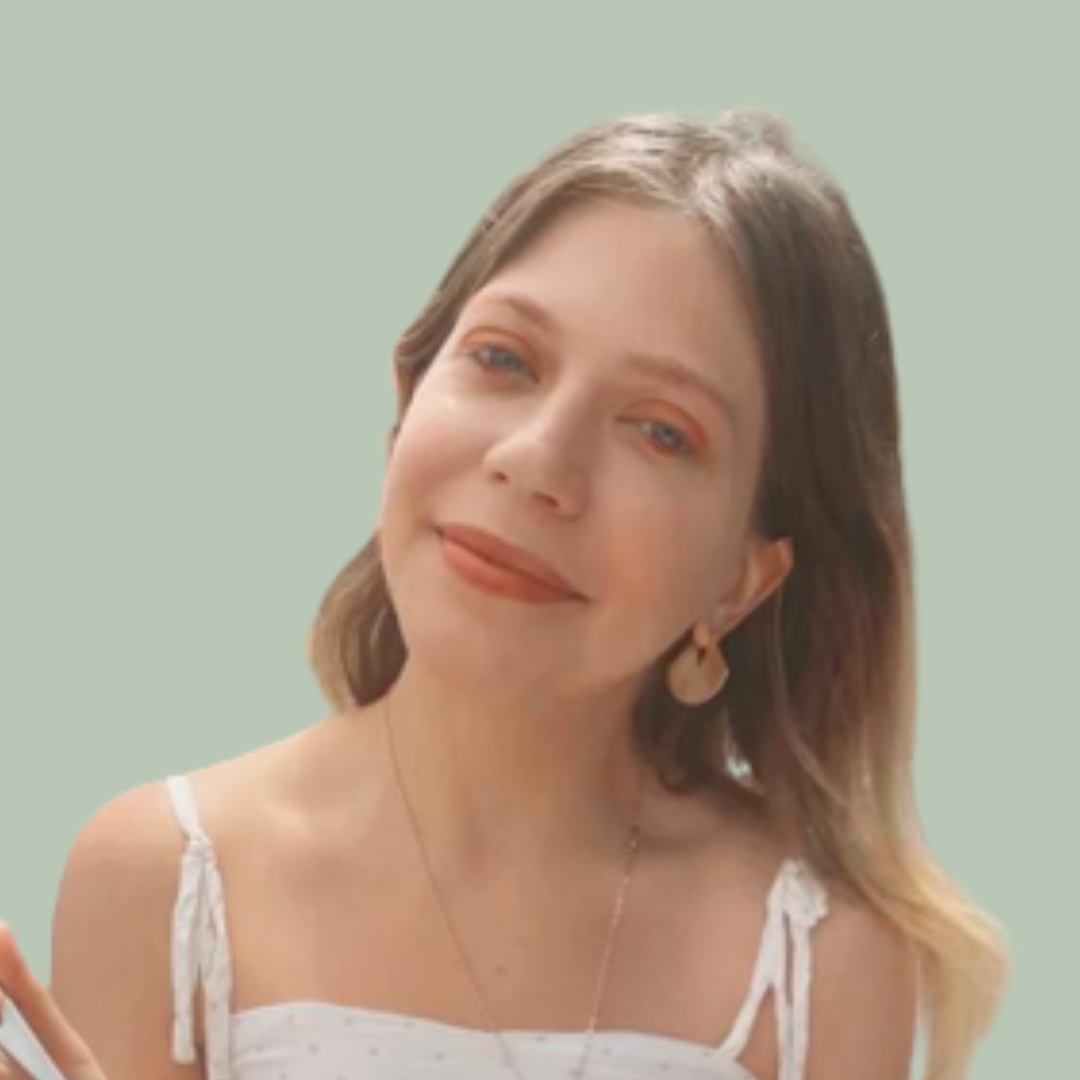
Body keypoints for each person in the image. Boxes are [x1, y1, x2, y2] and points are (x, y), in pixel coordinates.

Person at [1, 108, 1009, 1080]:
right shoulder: (168, 878)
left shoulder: (821, 950)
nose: (537, 461)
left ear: (742, 580)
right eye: (504, 359)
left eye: (662, 431)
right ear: (408, 401)